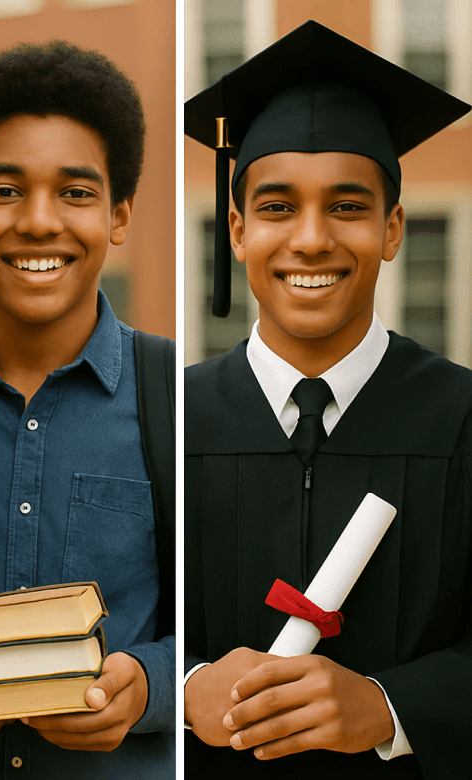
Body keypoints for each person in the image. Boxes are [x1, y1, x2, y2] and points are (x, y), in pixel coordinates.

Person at [184, 20, 472, 780]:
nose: (311, 239)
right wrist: (181, 686)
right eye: (277, 208)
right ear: (238, 231)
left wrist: (393, 706)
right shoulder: (164, 418)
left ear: (392, 229)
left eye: (347, 206)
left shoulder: (464, 416)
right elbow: (107, 618)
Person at [0, 41, 175, 778]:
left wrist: (150, 685)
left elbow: (227, 623)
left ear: (120, 215)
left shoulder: (178, 396)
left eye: (76, 193)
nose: (39, 221)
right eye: (5, 190)